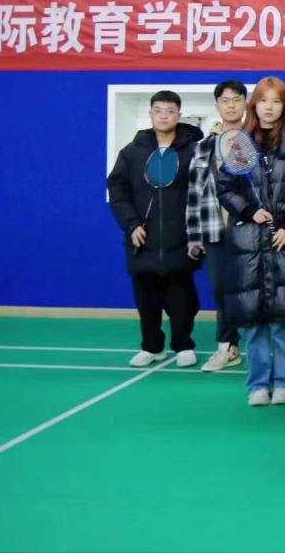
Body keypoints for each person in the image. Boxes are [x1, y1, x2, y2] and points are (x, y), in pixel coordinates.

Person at [215, 77, 285, 405]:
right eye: (264, 101)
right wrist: (249, 210)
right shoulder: (240, 144)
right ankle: (258, 384)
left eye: (276, 101)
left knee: (283, 318)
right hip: (248, 244)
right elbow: (225, 187)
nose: (269, 107)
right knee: (254, 319)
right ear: (255, 105)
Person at [106, 91, 204, 368]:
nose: (164, 116)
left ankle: (183, 345)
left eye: (170, 111)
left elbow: (204, 193)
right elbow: (117, 190)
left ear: (179, 115)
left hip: (180, 240)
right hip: (142, 241)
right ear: (150, 114)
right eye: (158, 110)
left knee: (182, 300)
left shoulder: (194, 150)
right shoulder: (132, 152)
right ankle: (152, 347)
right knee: (146, 301)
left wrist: (197, 234)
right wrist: (131, 223)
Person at [186, 79, 248, 372]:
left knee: (258, 291)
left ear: (245, 103)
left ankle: (262, 353)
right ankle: (227, 347)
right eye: (225, 100)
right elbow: (194, 192)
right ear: (217, 105)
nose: (231, 105)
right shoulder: (203, 147)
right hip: (215, 230)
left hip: (251, 230)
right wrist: (194, 235)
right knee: (222, 290)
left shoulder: (256, 141)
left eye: (237, 99)